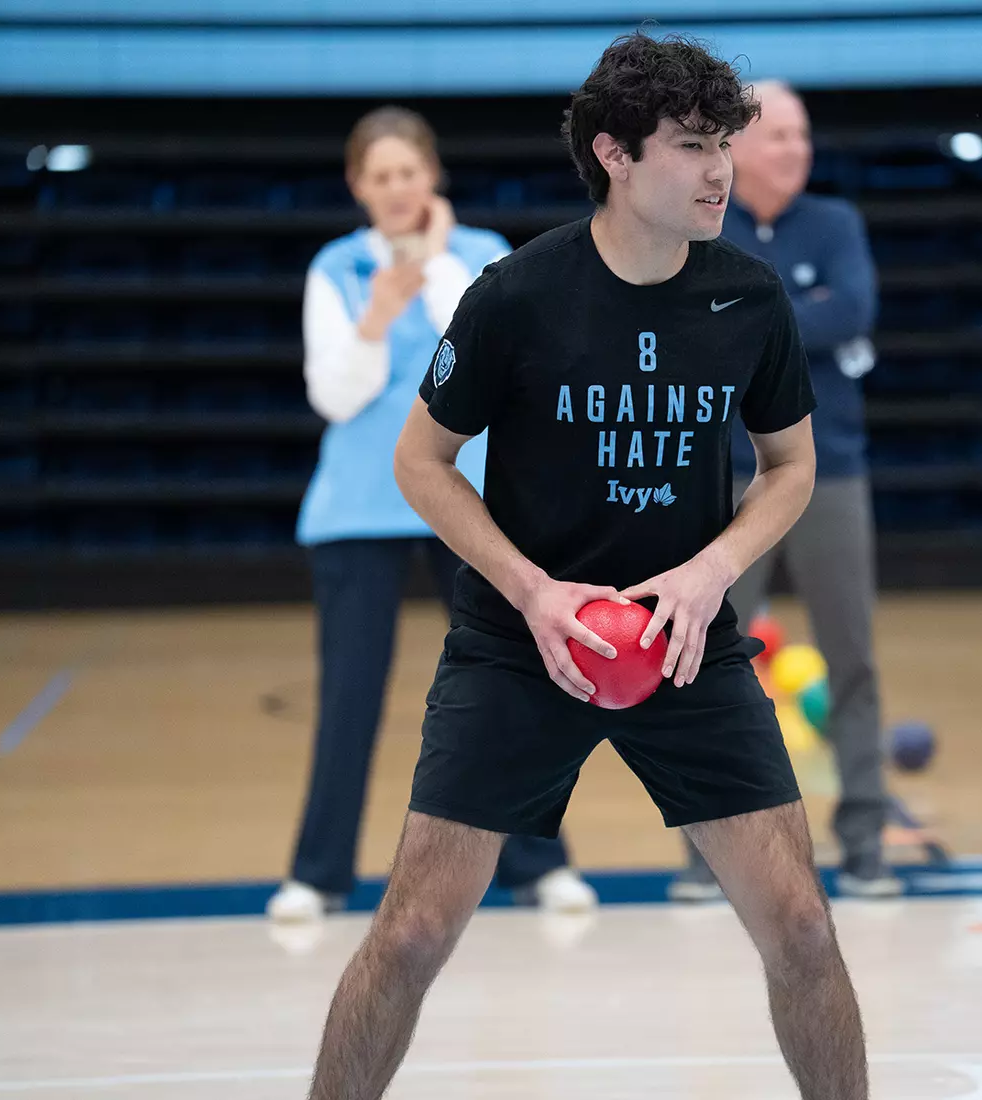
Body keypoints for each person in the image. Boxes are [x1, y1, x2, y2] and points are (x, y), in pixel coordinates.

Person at [305, 35, 870, 1100]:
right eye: (692, 146)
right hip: (520, 645)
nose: (720, 170)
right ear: (614, 153)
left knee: (801, 924)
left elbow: (790, 466)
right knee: (413, 931)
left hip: (686, 642)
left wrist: (711, 570)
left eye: (724, 144)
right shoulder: (515, 295)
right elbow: (421, 462)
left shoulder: (749, 298)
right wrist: (532, 590)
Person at [267, 106, 596, 924]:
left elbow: (500, 359)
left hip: (467, 505)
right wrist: (379, 312)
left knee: (509, 687)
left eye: (407, 173)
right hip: (356, 512)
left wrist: (439, 263)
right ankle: (317, 875)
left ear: (432, 177)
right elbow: (333, 396)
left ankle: (540, 865)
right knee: (350, 696)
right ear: (357, 186)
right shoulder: (336, 269)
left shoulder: (481, 257)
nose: (395, 189)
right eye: (379, 176)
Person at [669, 79, 898, 902]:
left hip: (828, 470)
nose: (797, 149)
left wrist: (746, 318)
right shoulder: (701, 223)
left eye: (802, 135)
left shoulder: (835, 223)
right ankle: (707, 855)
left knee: (852, 658)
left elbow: (854, 311)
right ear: (736, 146)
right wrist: (796, 312)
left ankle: (865, 844)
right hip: (721, 476)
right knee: (705, 659)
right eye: (780, 136)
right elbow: (687, 323)